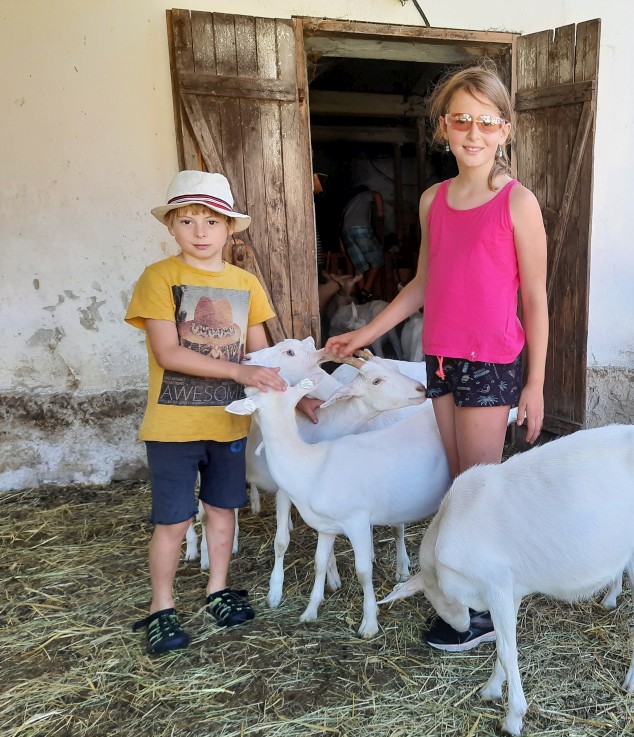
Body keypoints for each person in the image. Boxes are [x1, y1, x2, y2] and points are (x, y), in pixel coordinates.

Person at [325, 64, 549, 651]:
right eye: (461, 120)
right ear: (443, 127)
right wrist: (364, 333)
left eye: (486, 122)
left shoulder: (518, 203)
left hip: (491, 361)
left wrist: (535, 384)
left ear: (505, 130)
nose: (473, 133)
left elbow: (535, 298)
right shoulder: (433, 201)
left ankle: (485, 608)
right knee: (458, 483)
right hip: (442, 357)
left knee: (479, 489)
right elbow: (422, 283)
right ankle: (470, 595)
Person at [125, 170, 288, 655]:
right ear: (171, 226)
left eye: (212, 221)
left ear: (229, 228)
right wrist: (238, 371)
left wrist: (298, 393)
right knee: (174, 520)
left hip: (228, 423)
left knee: (222, 510)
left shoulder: (245, 283)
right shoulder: (159, 278)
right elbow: (168, 353)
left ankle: (218, 589)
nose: (200, 232)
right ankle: (162, 606)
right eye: (188, 221)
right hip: (173, 426)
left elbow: (261, 355)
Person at [341, 184, 386, 302]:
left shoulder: (350, 203)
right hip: (360, 228)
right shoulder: (364, 195)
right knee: (378, 260)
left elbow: (341, 223)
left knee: (360, 265)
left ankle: (362, 296)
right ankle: (366, 290)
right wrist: (381, 212)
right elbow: (377, 195)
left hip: (347, 232)